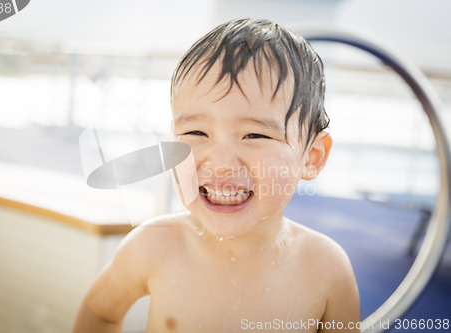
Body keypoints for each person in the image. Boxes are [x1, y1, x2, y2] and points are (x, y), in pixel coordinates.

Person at [73, 18, 360, 333]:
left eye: (255, 135)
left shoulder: (326, 270)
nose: (221, 163)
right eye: (196, 131)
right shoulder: (153, 246)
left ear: (312, 157)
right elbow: (100, 313)